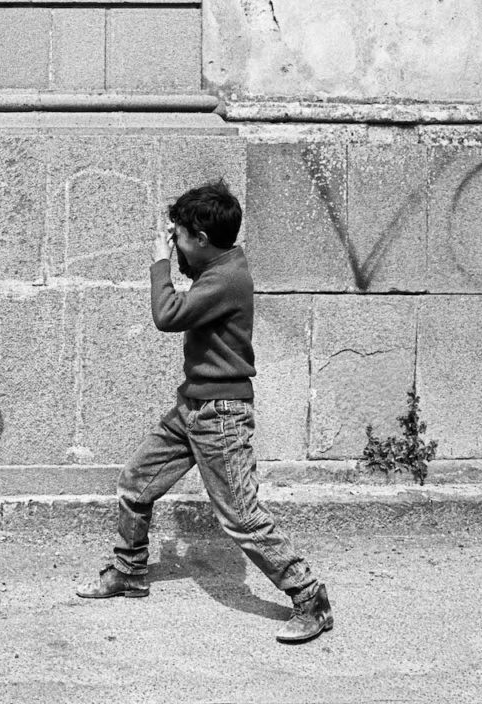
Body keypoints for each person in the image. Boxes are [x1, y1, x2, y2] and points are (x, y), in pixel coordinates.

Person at [75, 180, 333, 643]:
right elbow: (188, 289)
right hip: (192, 406)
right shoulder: (217, 265)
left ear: (201, 239)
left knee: (241, 516)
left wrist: (159, 262)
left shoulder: (226, 277)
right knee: (136, 483)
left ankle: (310, 598)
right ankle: (129, 571)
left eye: (179, 237)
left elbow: (167, 315)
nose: (174, 244)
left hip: (221, 415)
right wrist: (176, 249)